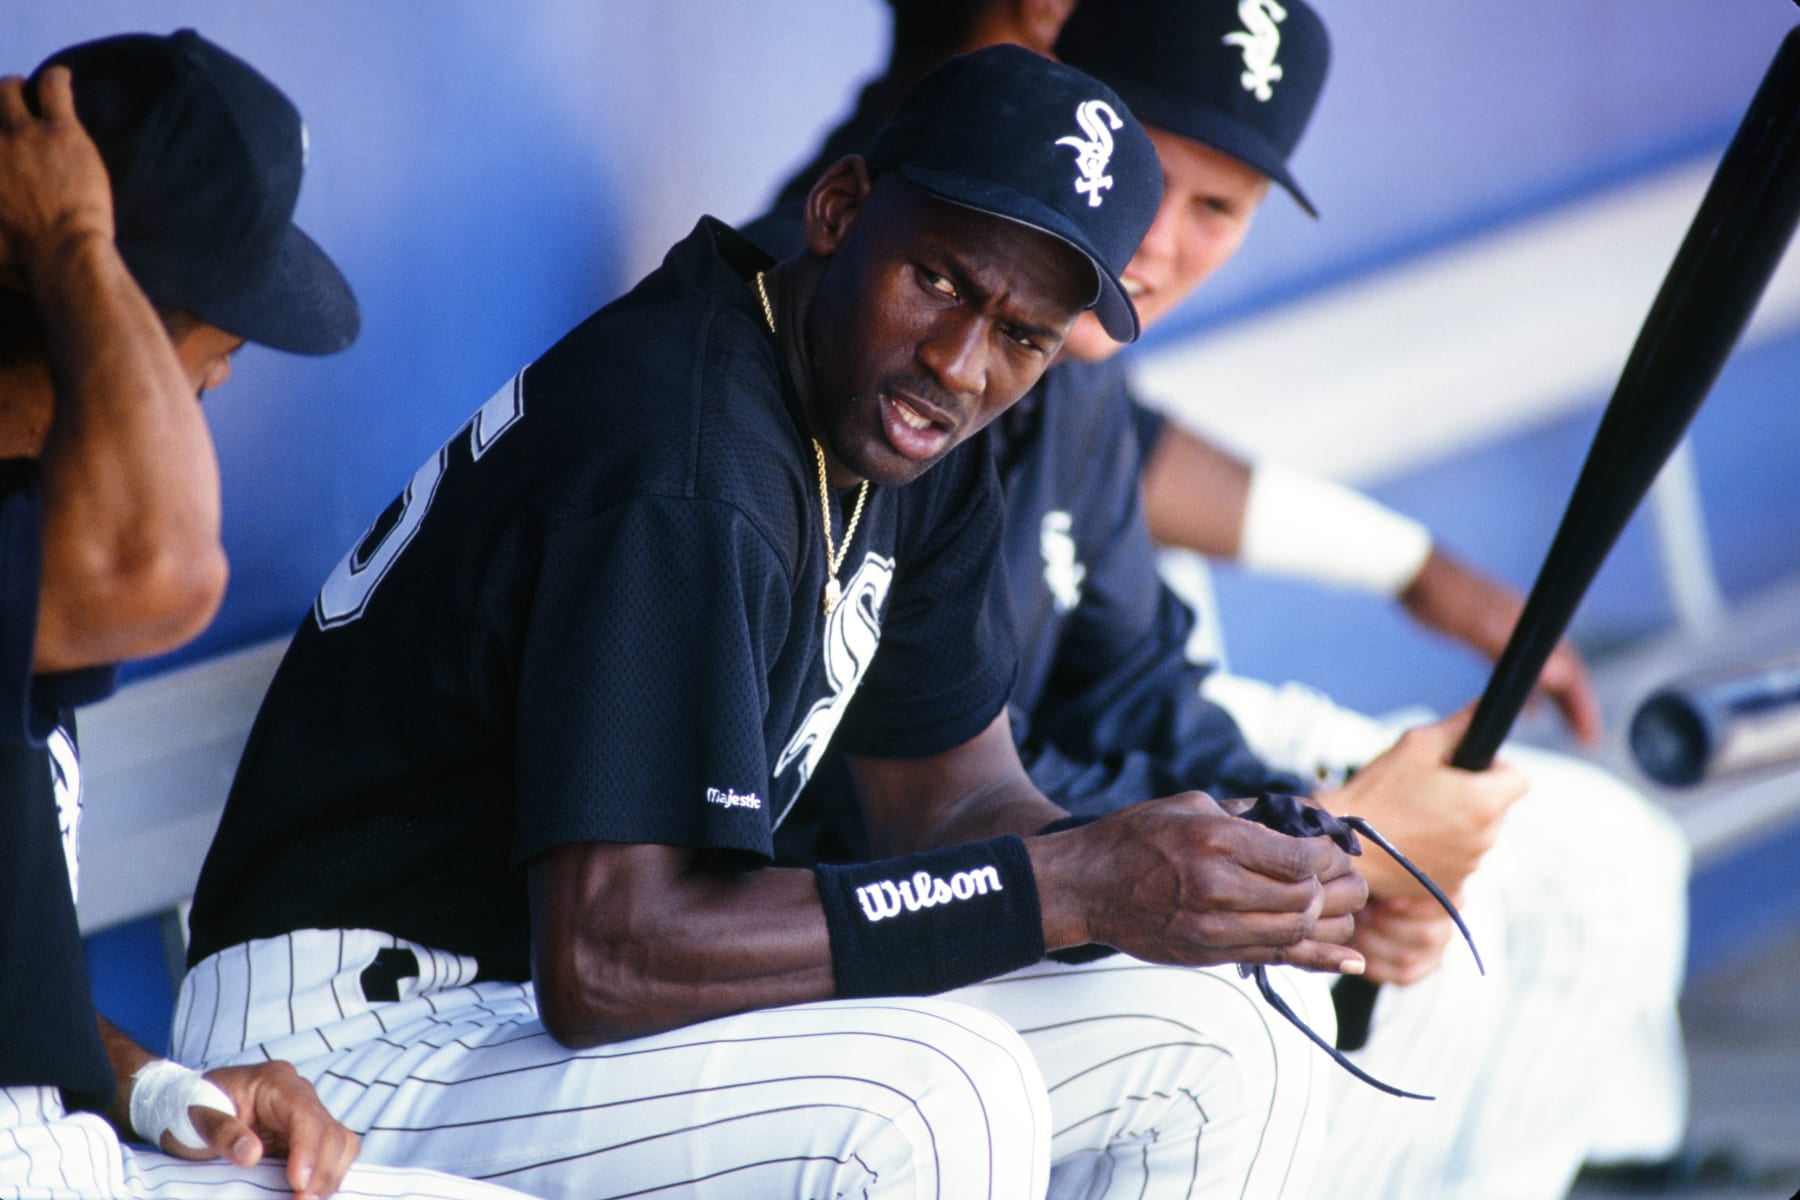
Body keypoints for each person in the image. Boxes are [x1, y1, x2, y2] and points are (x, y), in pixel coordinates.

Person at [172, 45, 1370, 1200]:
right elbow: (609, 958)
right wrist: (1075, 888)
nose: (960, 362)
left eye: (1021, 336)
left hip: (530, 1011)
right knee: (933, 1100)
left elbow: (952, 807)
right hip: (357, 1033)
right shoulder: (685, 456)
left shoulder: (914, 434)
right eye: (942, 281)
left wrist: (1166, 863)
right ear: (840, 210)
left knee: (1226, 1041)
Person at [754, 1, 1691, 1197]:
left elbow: (1139, 677)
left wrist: (1306, 845)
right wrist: (1320, 843)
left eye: (1217, 209)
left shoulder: (1073, 364)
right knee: (1235, 1024)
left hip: (1021, 857)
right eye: (1145, 166)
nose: (1156, 242)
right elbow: (936, 790)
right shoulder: (909, 340)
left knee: (1432, 938)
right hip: (862, 914)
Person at [0, 29, 543, 1200]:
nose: (223, 374)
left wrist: (158, 1088)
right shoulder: (74, 558)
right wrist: (82, 246)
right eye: (208, 332)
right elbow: (166, 568)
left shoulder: (31, 535)